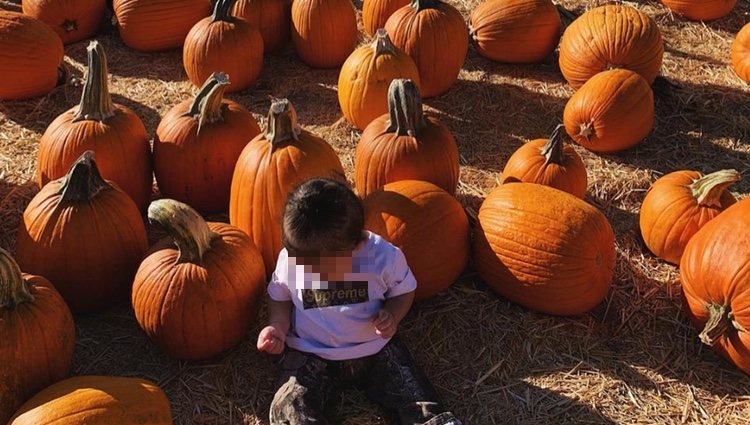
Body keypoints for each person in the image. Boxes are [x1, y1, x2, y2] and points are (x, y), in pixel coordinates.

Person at [257, 178, 462, 425]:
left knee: (416, 398)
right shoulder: (292, 259)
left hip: (375, 348)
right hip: (312, 351)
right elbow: (280, 295)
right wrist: (277, 326)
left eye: (320, 268)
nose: (307, 271)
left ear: (358, 245)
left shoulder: (382, 256)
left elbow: (404, 291)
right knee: (289, 407)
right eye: (299, 261)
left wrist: (392, 314)